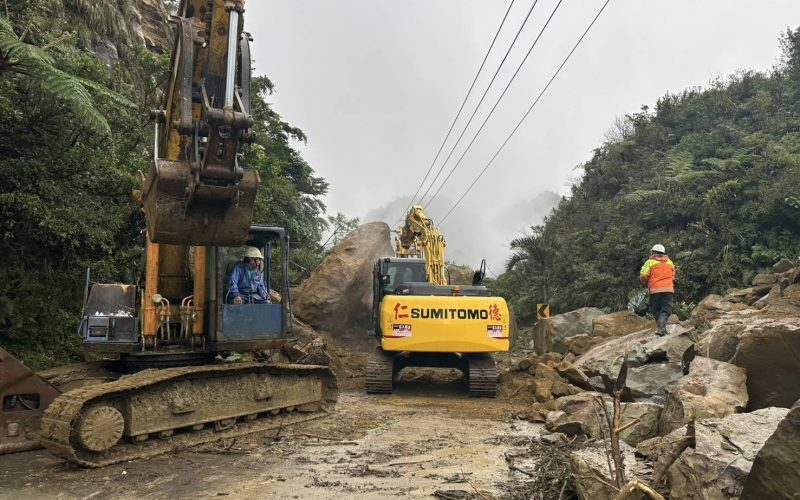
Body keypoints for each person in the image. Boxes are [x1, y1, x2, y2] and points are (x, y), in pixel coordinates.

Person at [639, 244, 675, 336]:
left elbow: (643, 275)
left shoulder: (650, 262)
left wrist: (647, 281)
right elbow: (673, 276)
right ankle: (662, 328)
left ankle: (660, 328)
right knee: (666, 309)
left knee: (655, 309)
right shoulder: (670, 262)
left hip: (655, 290)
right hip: (668, 289)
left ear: (653, 252)